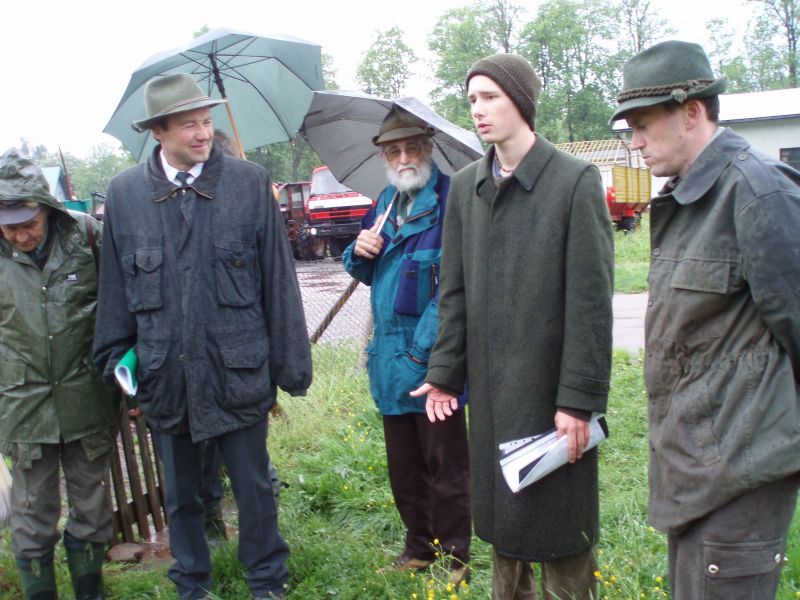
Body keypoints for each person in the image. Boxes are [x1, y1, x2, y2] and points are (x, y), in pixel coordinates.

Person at [93, 73, 312, 600]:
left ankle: (267, 581)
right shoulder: (126, 194)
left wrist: (289, 367)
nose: (203, 133)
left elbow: (278, 282)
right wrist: (118, 367)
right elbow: (116, 289)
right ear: (158, 132)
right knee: (182, 494)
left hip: (237, 370)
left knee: (255, 488)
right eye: (189, 124)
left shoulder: (248, 183)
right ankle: (191, 582)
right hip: (166, 375)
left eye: (207, 121)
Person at [412, 53, 614, 600]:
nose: (477, 110)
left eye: (490, 97)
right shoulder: (465, 187)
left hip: (553, 397)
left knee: (561, 530)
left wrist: (578, 400)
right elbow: (453, 293)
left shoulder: (574, 181)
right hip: (493, 397)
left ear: (521, 102)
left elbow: (591, 305)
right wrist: (445, 373)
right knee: (506, 526)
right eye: (472, 99)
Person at [610, 40, 800, 598]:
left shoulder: (757, 192)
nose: (635, 142)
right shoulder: (690, 198)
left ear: (691, 112)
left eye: (643, 125)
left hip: (743, 470)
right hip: (696, 467)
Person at [342, 107, 472, 582]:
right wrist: (357, 251)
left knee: (446, 465)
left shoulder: (452, 201)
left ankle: (456, 556)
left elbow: (454, 289)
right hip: (389, 364)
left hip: (433, 363)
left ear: (428, 148)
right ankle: (419, 546)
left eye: (411, 147)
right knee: (404, 467)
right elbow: (365, 270)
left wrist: (424, 354)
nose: (403, 158)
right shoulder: (384, 203)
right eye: (393, 150)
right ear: (383, 156)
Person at [0, 148, 119, 599]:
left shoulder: (87, 237)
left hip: (86, 395)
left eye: (28, 223)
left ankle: (91, 591)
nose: (21, 235)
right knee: (32, 511)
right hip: (21, 403)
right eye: (9, 227)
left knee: (92, 503)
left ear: (47, 209)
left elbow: (121, 306)